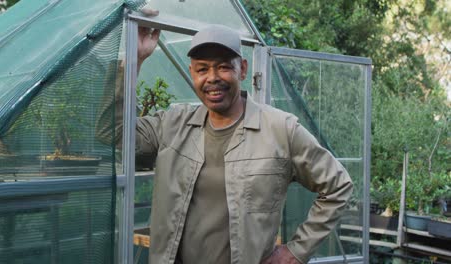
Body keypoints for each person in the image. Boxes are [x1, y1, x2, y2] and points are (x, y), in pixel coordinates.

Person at [104, 22, 353, 264]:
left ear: (242, 69)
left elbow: (338, 186)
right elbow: (111, 132)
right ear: (192, 73)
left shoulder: (280, 129)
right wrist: (132, 60)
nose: (212, 78)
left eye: (223, 67)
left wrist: (296, 251)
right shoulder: (172, 125)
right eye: (202, 69)